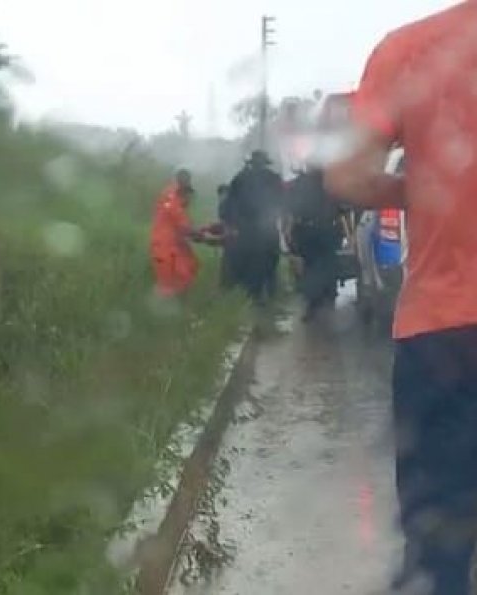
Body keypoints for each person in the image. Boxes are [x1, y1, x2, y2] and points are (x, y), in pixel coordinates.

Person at [325, 4, 477, 593]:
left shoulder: (412, 48)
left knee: (437, 546)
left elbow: (346, 178)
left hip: (444, 335)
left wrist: (420, 187)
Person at [224, 150, 284, 303]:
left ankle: (252, 296)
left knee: (248, 262)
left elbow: (229, 205)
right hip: (267, 229)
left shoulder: (240, 178)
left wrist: (232, 225)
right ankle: (269, 294)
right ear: (265, 163)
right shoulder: (274, 178)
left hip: (246, 230)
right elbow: (282, 203)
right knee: (269, 262)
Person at [288, 167, 342, 321]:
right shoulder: (332, 181)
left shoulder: (300, 183)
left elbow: (291, 209)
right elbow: (342, 207)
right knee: (328, 263)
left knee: (311, 266)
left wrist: (291, 232)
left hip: (307, 231)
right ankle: (328, 298)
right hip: (327, 229)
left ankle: (313, 303)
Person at [150, 169, 204, 297]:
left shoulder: (174, 197)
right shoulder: (172, 201)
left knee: (190, 268)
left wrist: (203, 230)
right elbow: (186, 229)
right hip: (165, 247)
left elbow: (185, 227)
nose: (189, 202)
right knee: (169, 282)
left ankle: (177, 306)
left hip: (176, 244)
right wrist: (207, 237)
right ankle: (163, 309)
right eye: (188, 197)